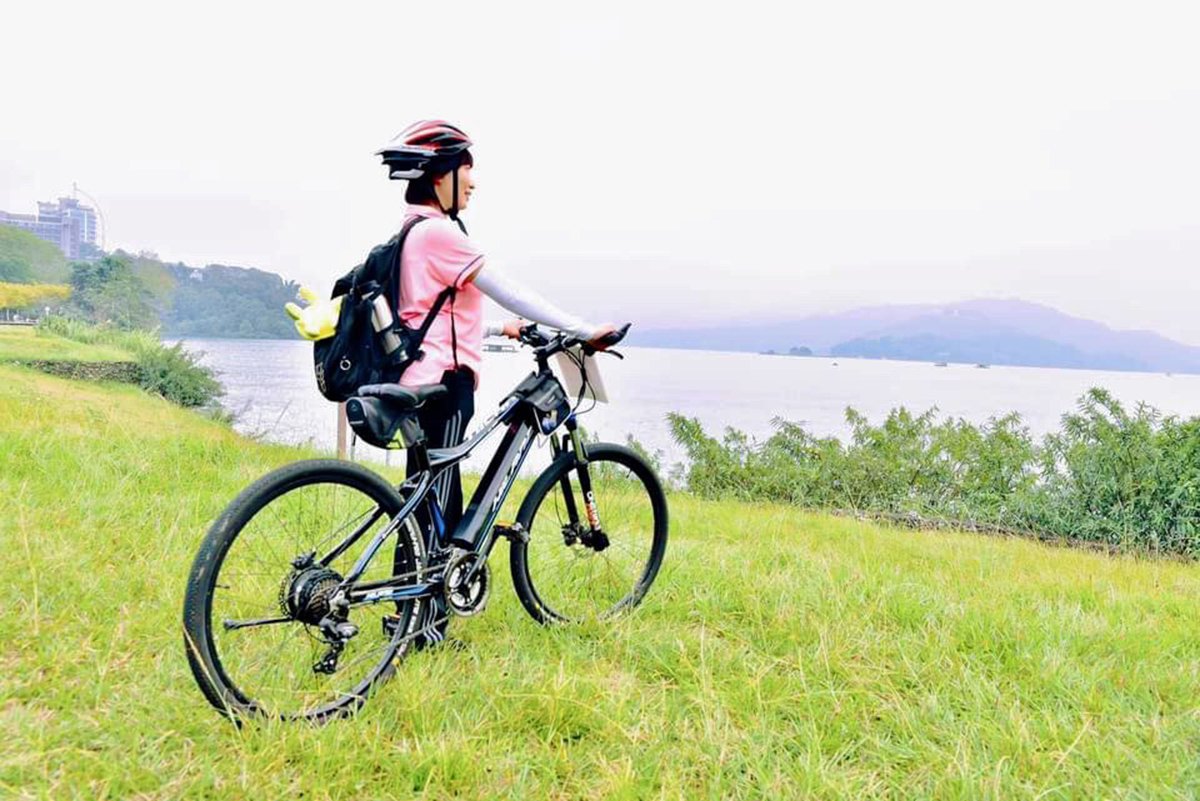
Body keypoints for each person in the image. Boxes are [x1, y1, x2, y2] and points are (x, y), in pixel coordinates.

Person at [377, 119, 613, 646]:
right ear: (440, 176)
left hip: (419, 378)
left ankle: (413, 617)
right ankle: (416, 623)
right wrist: (582, 329)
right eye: (466, 171)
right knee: (436, 501)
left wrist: (496, 329)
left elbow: (425, 315)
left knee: (429, 494)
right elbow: (507, 288)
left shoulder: (410, 233)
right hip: (444, 385)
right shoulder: (439, 233)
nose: (473, 182)